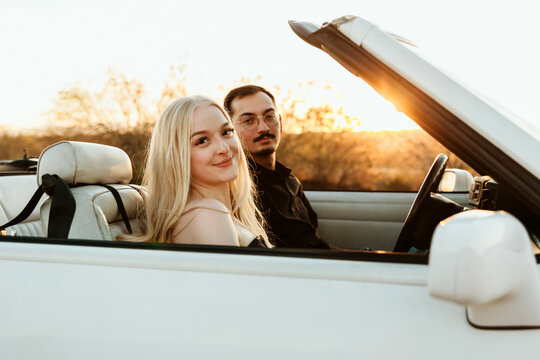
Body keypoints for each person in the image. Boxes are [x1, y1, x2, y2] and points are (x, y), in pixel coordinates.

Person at [127, 95, 270, 247]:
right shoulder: (208, 214)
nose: (224, 148)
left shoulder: (220, 213)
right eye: (202, 141)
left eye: (226, 132)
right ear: (177, 157)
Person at [224, 85, 330, 249]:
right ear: (231, 131)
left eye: (269, 116)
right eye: (248, 121)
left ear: (280, 123)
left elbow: (318, 244)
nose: (264, 128)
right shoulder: (239, 190)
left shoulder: (291, 181)